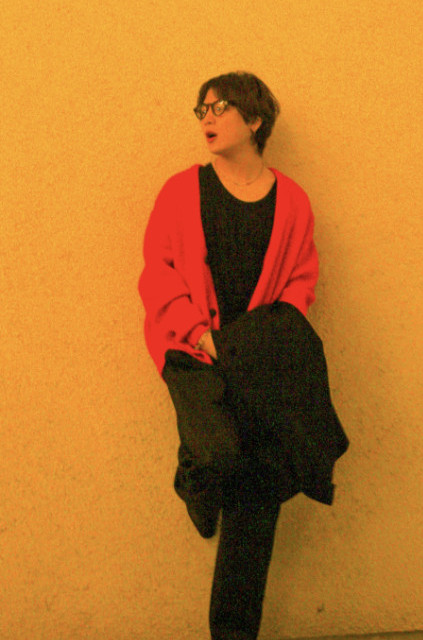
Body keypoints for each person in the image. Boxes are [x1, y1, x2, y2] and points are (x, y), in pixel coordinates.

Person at [138, 71, 348, 640]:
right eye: (201, 109)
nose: (206, 118)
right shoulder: (181, 190)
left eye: (220, 107)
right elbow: (157, 271)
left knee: (261, 483)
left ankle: (233, 633)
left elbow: (301, 279)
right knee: (218, 453)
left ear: (254, 120)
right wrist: (198, 332)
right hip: (190, 349)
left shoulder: (292, 200)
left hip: (256, 357)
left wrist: (262, 338)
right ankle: (195, 479)